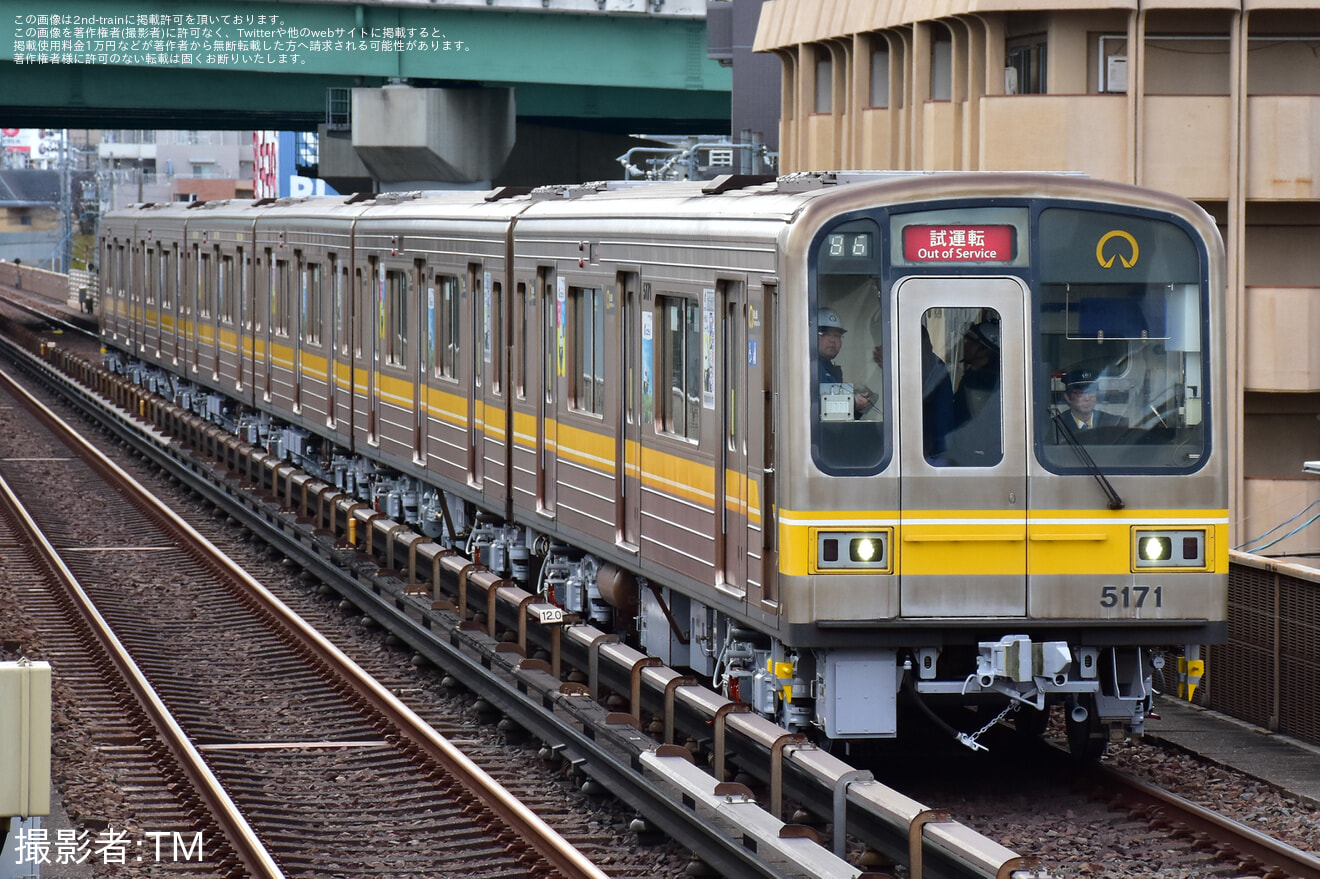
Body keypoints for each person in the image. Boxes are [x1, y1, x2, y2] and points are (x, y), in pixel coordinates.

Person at [817, 308, 875, 419]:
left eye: (837, 336)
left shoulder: (832, 369)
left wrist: (858, 406)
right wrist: (852, 402)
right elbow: (810, 406)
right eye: (826, 334)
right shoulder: (808, 366)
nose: (833, 340)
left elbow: (836, 418)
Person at [1059, 369, 1124, 433]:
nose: (1087, 398)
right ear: (1067, 397)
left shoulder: (1114, 423)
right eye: (1080, 393)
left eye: (1091, 392)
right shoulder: (1057, 425)